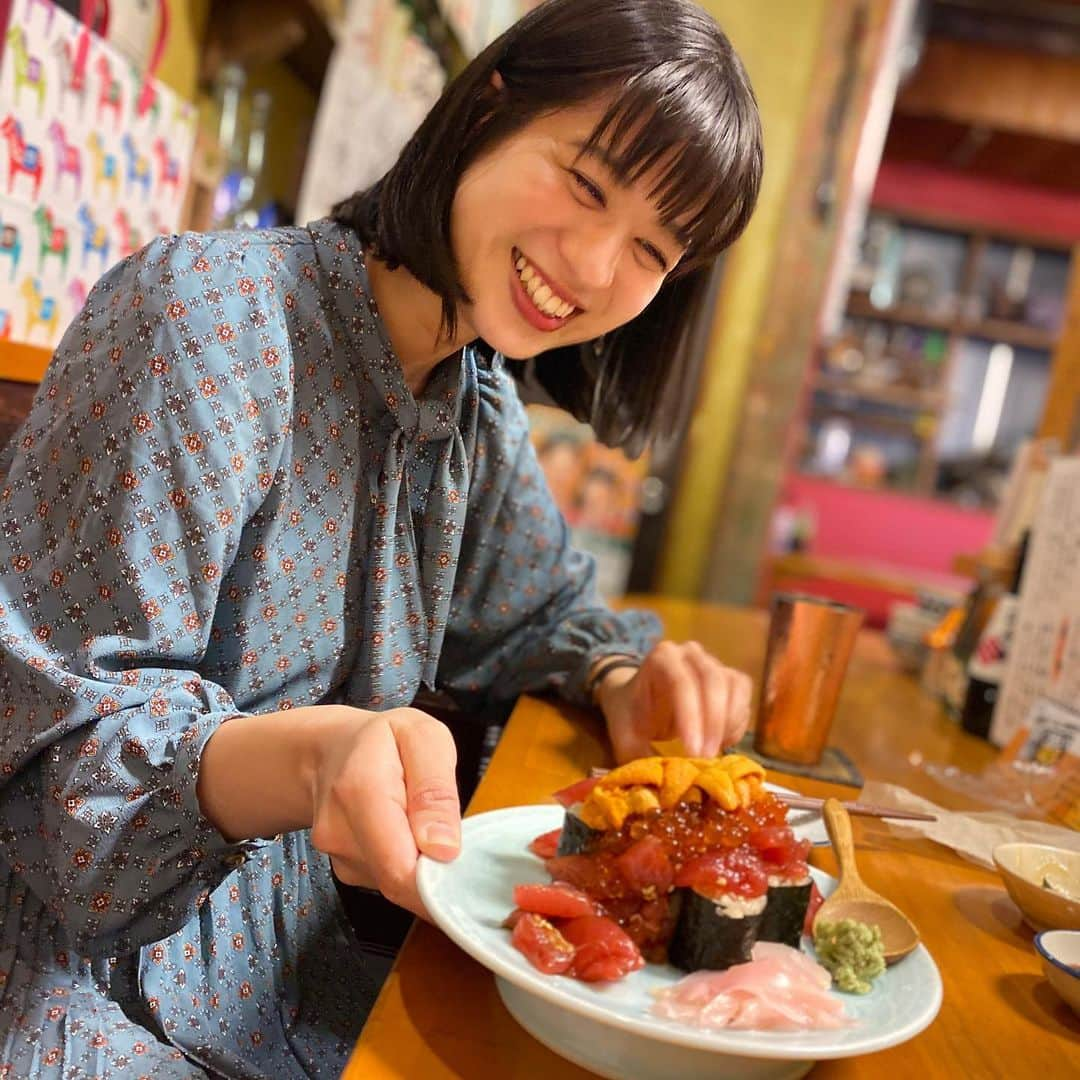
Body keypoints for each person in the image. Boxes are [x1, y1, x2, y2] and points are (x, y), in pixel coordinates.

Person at [0, 0, 763, 1074]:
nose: (593, 266)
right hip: (75, 979)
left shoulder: (473, 404)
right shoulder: (204, 318)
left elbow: (539, 607)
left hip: (295, 973)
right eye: (587, 183)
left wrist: (621, 671)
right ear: (490, 106)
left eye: (651, 248)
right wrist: (311, 761)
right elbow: (54, 760)